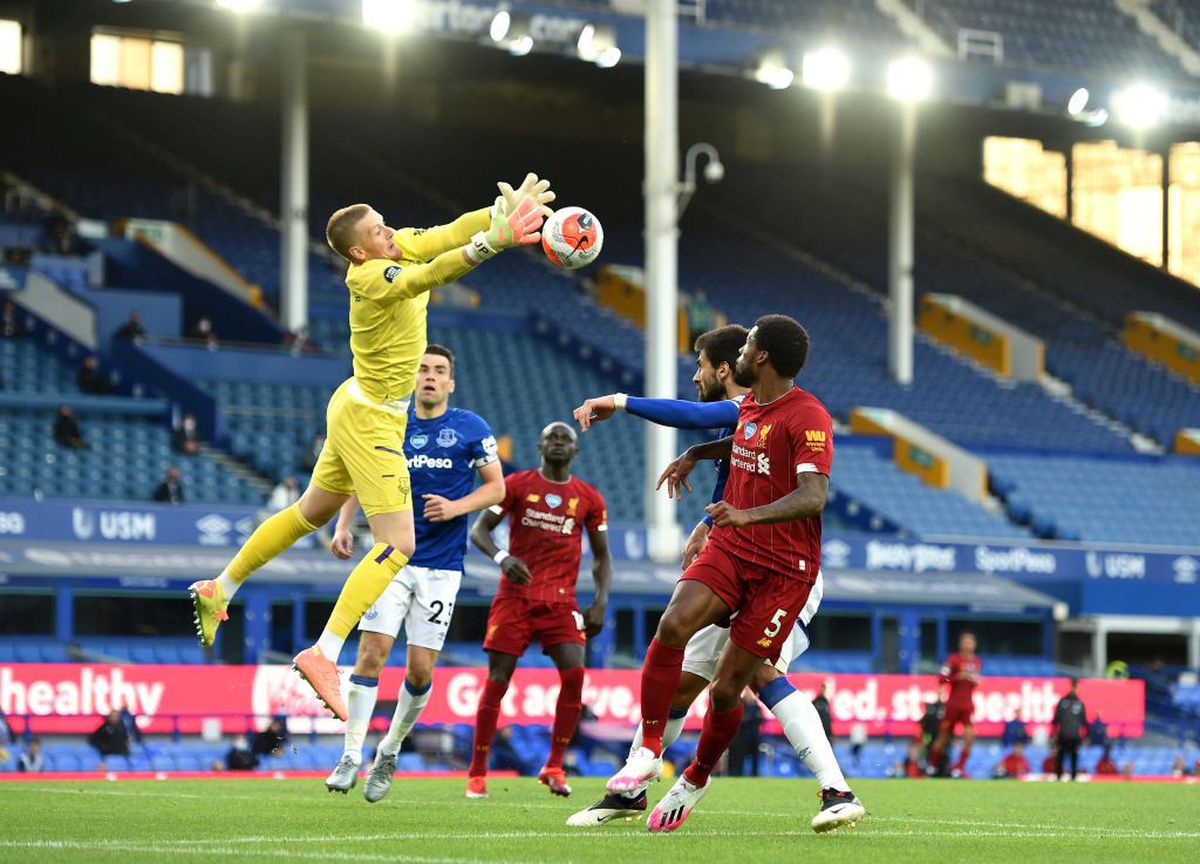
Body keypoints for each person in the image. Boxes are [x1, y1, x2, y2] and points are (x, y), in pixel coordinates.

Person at [186, 175, 552, 720]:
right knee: (399, 543)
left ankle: (221, 586)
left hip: (354, 401)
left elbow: (448, 233)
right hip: (375, 420)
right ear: (359, 251)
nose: (391, 233)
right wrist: (493, 242)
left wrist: (500, 212)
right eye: (379, 231)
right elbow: (431, 274)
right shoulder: (372, 278)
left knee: (310, 511)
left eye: (385, 224)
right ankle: (325, 652)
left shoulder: (393, 246)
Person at [567, 325, 852, 830]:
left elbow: (811, 493)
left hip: (785, 569)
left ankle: (825, 789)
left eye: (703, 363)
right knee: (676, 653)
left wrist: (619, 400)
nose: (700, 372)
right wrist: (701, 460)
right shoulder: (751, 410)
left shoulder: (800, 413)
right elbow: (743, 446)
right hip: (735, 549)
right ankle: (638, 775)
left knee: (744, 682)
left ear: (752, 359)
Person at [324, 345, 504, 799]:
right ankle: (349, 756)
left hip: (442, 567)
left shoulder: (470, 428)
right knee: (370, 654)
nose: (429, 376)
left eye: (439, 370)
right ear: (413, 375)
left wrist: (455, 507)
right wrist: (344, 523)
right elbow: (361, 474)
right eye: (423, 368)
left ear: (450, 383)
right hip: (390, 557)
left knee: (420, 671)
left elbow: (496, 487)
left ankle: (388, 750)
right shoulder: (391, 421)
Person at [465, 421, 612, 799]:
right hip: (514, 598)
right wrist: (502, 557)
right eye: (552, 438)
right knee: (498, 680)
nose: (559, 443)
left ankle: (555, 765)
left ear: (575, 451)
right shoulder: (517, 486)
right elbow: (479, 531)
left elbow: (602, 557)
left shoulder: (589, 498)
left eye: (566, 439)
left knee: (576, 675)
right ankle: (477, 772)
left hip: (561, 601)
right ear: (540, 446)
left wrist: (600, 601)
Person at [928, 632, 982, 778]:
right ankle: (932, 765)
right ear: (961, 644)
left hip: (968, 706)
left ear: (974, 645)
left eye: (970, 642)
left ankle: (959, 767)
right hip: (953, 705)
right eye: (965, 641)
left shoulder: (976, 662)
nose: (968, 644)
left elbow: (976, 681)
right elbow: (942, 679)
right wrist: (957, 678)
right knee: (943, 737)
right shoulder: (953, 660)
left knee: (970, 737)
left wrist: (975, 681)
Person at [1053, 677, 1088, 781]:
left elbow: (1056, 721)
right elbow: (1083, 723)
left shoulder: (1069, 702)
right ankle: (1065, 777)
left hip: (1069, 735)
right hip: (1069, 736)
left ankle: (1067, 777)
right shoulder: (1073, 703)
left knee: (1068, 757)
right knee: (1066, 757)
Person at [727, 689, 763, 777]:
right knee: (739, 758)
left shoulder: (756, 706)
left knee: (755, 758)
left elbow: (760, 719)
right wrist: (751, 718)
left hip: (754, 737)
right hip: (741, 738)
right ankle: (738, 775)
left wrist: (749, 719)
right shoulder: (740, 705)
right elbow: (741, 720)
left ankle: (755, 775)